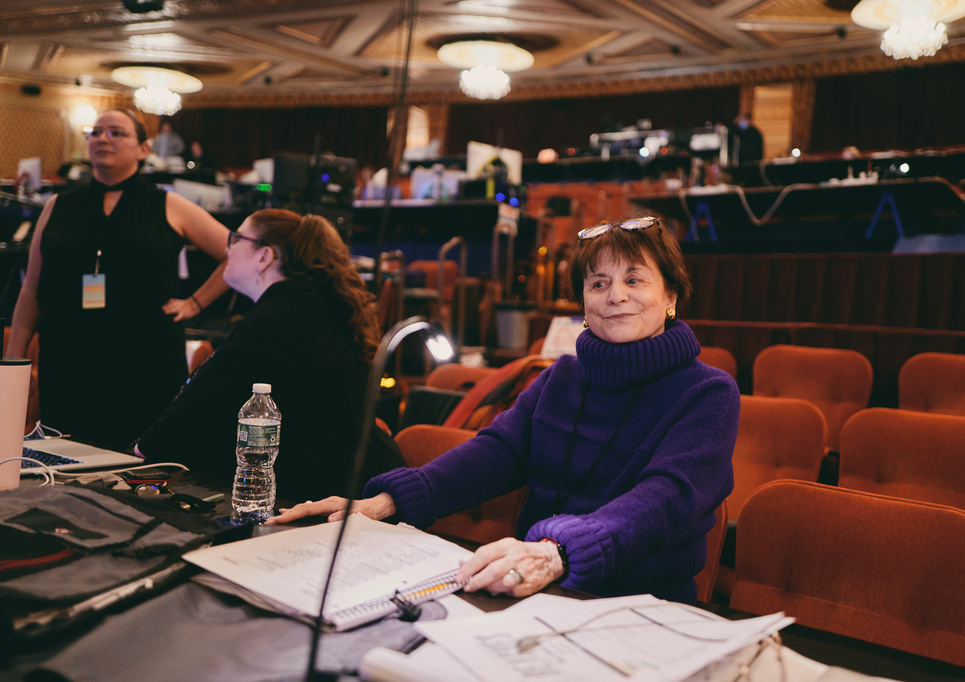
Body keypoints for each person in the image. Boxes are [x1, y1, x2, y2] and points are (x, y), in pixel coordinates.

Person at [270, 216, 740, 605]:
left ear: (672, 297)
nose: (615, 295)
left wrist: (558, 553)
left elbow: (664, 499)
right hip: (530, 588)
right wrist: (384, 503)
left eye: (634, 279)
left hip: (639, 606)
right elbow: (497, 452)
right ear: (583, 301)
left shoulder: (709, 393)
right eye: (599, 282)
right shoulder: (563, 375)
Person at [134, 209, 405, 502]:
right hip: (352, 482)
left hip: (346, 499)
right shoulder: (305, 301)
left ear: (264, 256)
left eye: (236, 239)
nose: (227, 248)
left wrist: (140, 454)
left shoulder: (285, 313)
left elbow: (208, 394)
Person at [7, 108, 231, 450]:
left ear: (144, 149)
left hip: (143, 363)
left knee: (139, 467)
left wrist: (196, 302)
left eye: (116, 132)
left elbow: (238, 253)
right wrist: (12, 361)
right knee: (66, 462)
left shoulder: (169, 205)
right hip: (69, 361)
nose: (102, 138)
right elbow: (32, 288)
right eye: (95, 132)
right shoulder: (58, 206)